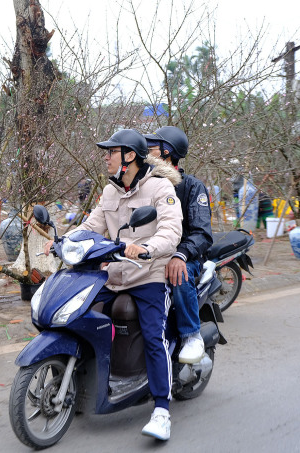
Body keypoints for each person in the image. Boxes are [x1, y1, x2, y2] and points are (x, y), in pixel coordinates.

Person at [45, 129, 182, 440]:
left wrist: (147, 248)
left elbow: (171, 230)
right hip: (114, 274)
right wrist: (62, 241)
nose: (105, 157)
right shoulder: (110, 192)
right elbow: (91, 226)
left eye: (111, 152)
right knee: (77, 313)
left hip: (148, 275)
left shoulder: (160, 188)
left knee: (152, 335)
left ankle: (161, 410)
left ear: (130, 156)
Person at [145, 126, 213, 365]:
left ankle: (191, 335)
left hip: (185, 256)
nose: (145, 152)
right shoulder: (144, 183)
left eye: (151, 148)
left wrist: (181, 255)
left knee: (178, 273)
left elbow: (202, 233)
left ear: (167, 152)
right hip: (149, 254)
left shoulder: (192, 187)